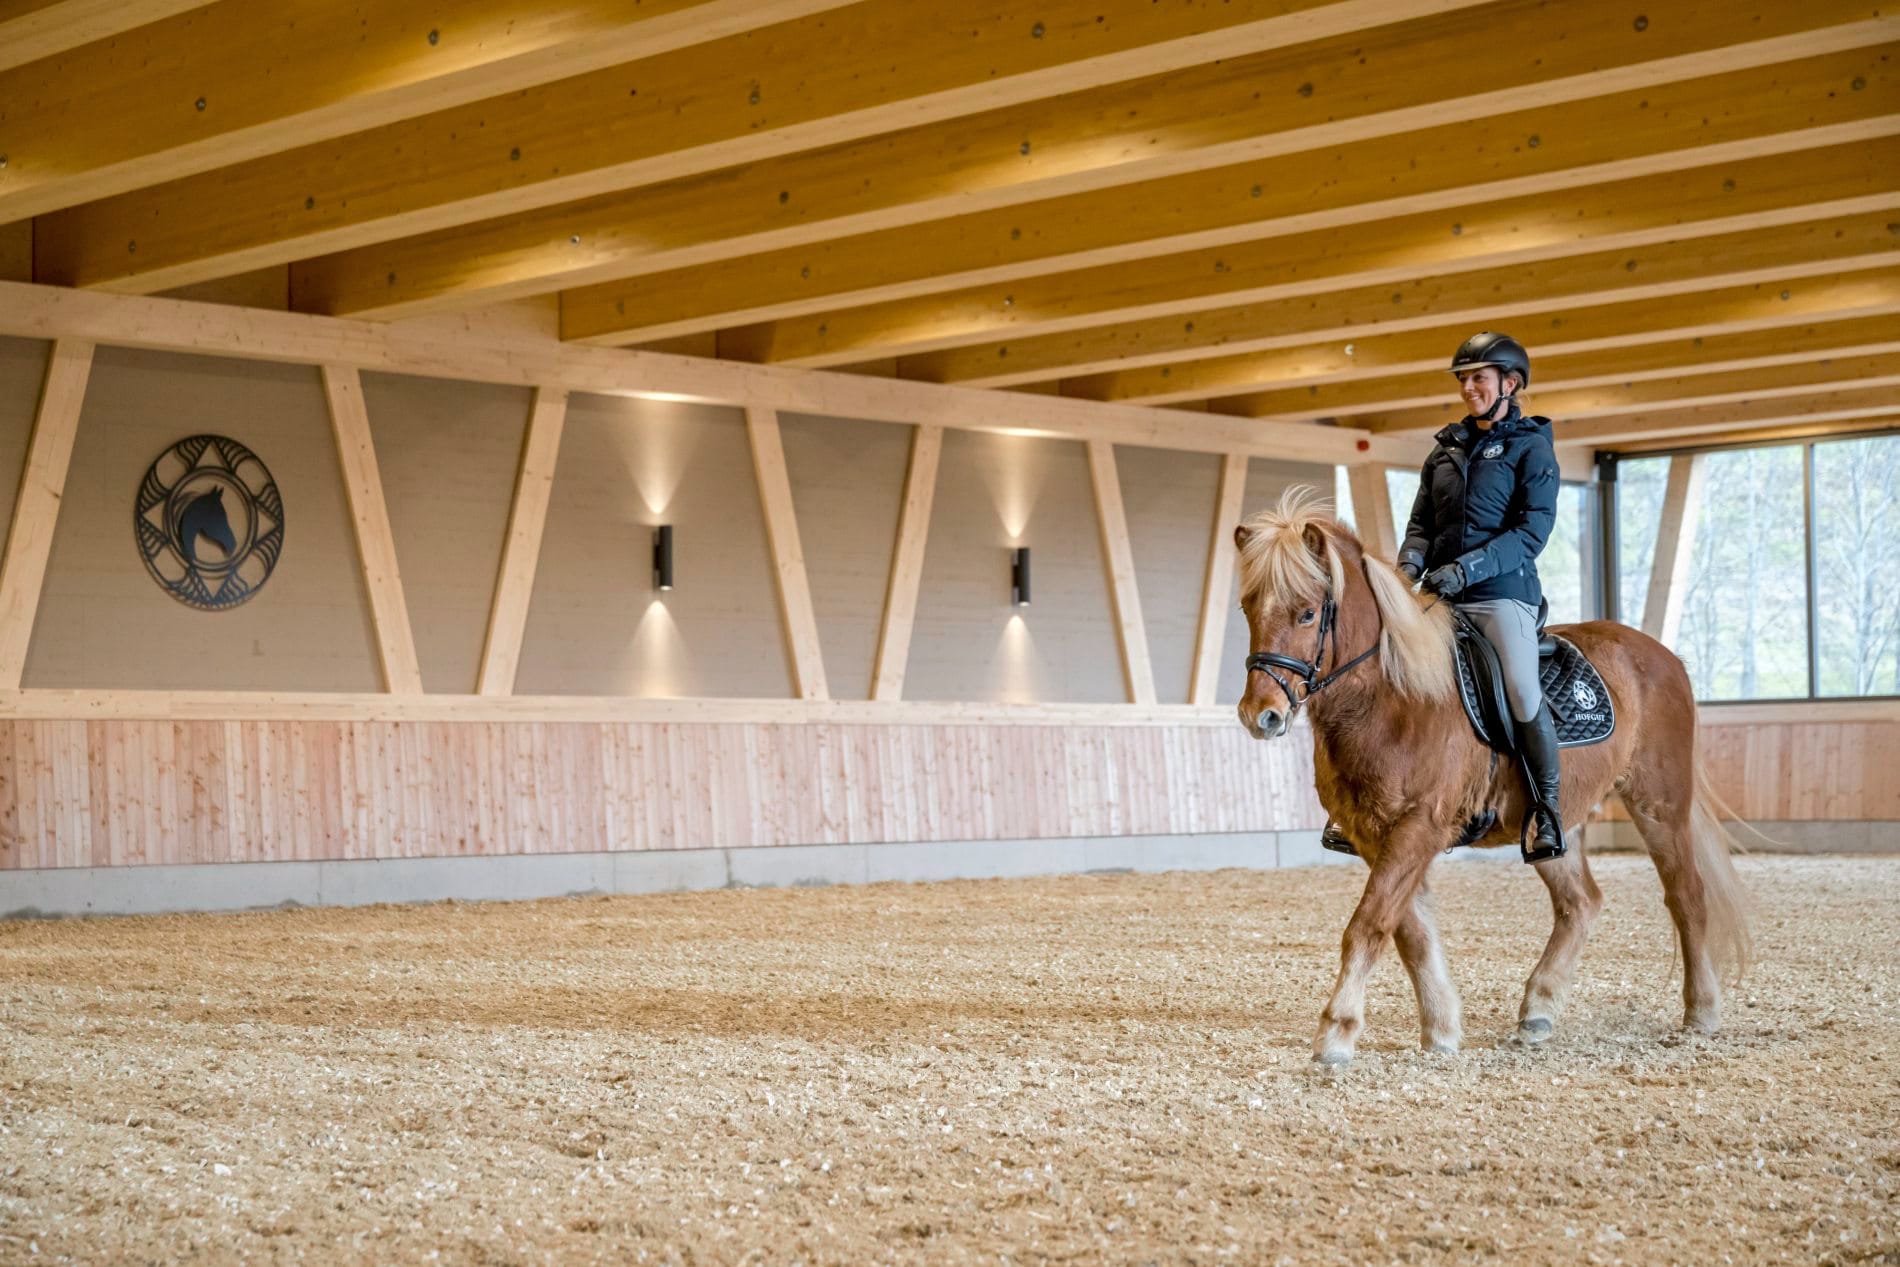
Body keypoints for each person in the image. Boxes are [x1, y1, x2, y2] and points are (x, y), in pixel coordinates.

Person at [1322, 332, 1565, 863]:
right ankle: (1355, 805)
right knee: (1384, 664)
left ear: (1511, 383)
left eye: (1478, 378)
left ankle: (1545, 809)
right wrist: (1407, 569)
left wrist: (1469, 567)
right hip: (1441, 594)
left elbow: (1532, 532)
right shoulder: (1446, 449)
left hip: (1502, 595)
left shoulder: (1532, 448)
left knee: (1522, 689)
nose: (1468, 387)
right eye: (1464, 378)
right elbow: (1421, 524)